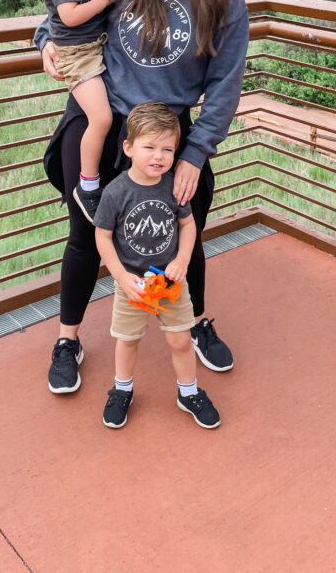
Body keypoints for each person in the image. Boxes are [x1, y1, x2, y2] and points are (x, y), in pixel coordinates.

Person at [36, 0, 249, 395]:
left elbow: (224, 83)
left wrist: (196, 154)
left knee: (185, 229)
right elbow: (67, 11)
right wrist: (43, 38)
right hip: (101, 122)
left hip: (169, 136)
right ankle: (69, 338)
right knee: (86, 235)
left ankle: (194, 321)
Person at [95, 102, 220, 429]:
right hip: (132, 284)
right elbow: (103, 237)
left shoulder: (173, 185)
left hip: (168, 282)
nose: (159, 156)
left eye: (168, 148)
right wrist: (121, 277)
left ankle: (188, 392)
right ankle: (122, 389)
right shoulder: (116, 192)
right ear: (129, 147)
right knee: (128, 340)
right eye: (149, 146)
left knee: (180, 340)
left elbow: (188, 226)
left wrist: (181, 260)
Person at [42, 0, 116, 224]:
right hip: (78, 57)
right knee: (101, 119)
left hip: (93, 48)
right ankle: (88, 185)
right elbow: (69, 17)